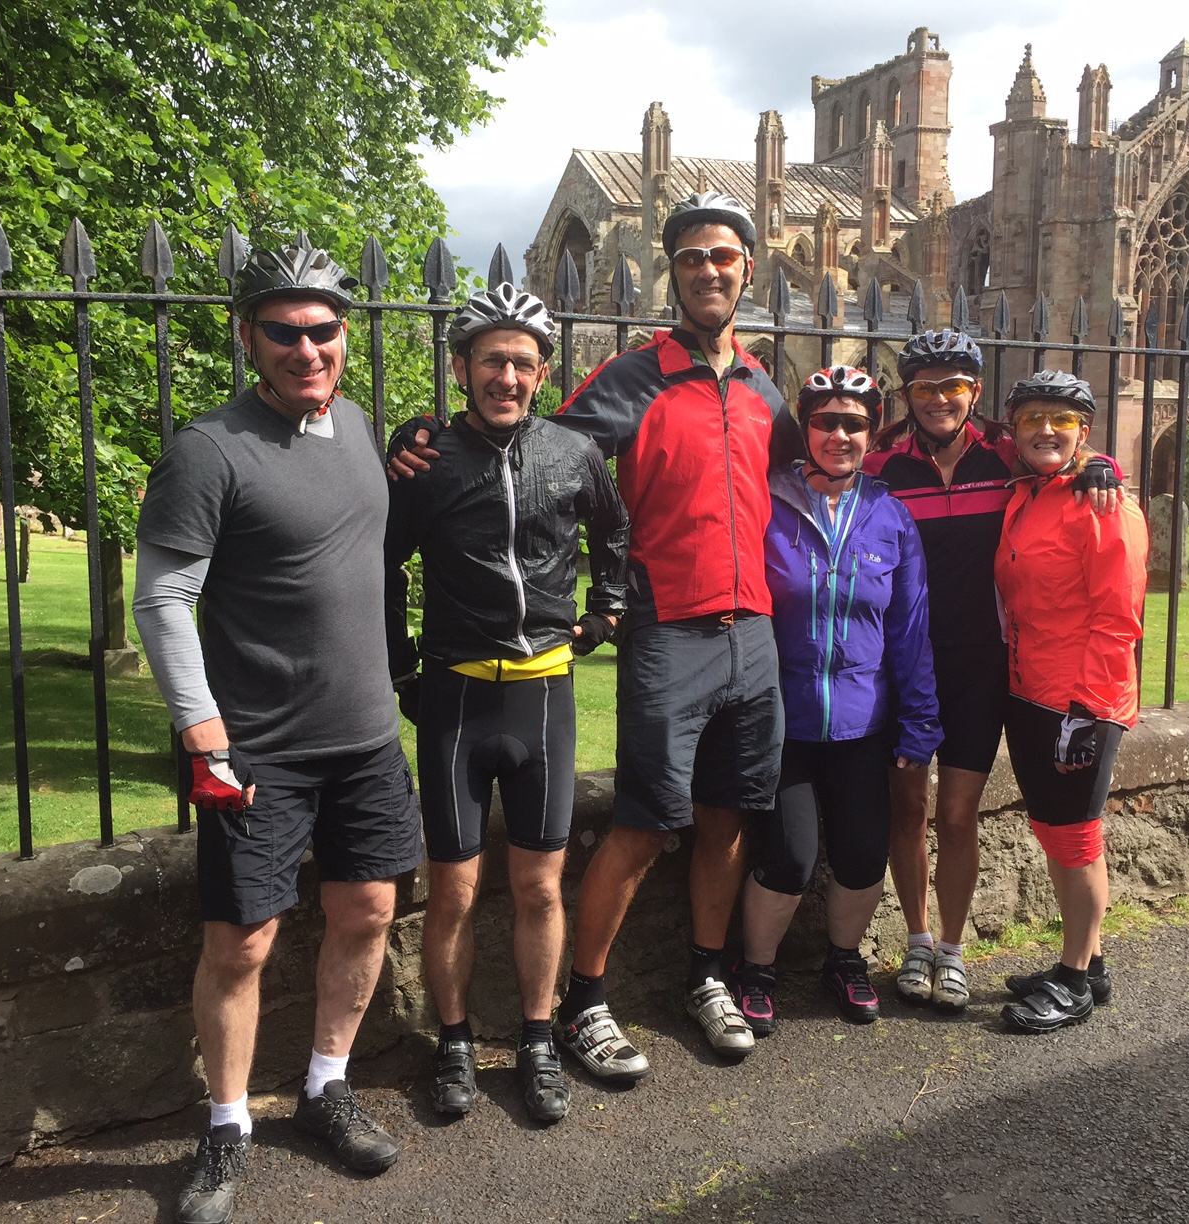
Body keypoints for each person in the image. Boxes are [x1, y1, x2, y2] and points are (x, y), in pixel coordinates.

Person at [390, 191, 799, 1077]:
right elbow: (534, 447)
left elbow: (831, 460)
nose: (709, 270)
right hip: (669, 631)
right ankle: (586, 998)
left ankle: (704, 974)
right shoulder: (634, 377)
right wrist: (427, 435)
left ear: (747, 269)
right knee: (649, 823)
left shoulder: (768, 386)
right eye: (692, 257)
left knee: (729, 820)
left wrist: (1083, 463)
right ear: (673, 272)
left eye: (724, 256)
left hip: (754, 632)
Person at [133, 238, 421, 1224]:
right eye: (285, 331)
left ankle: (326, 1086)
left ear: (346, 334)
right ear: (248, 336)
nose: (308, 349)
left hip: (366, 741)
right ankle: (226, 1126)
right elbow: (164, 599)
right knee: (244, 942)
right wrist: (203, 729)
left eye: (325, 330)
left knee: (369, 913)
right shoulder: (208, 450)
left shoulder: (358, 430)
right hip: (255, 746)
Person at [383, 283, 629, 1124]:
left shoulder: (572, 452)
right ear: (462, 367)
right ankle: (454, 1042)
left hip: (545, 697)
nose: (508, 376)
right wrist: (401, 669)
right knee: (451, 891)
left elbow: (615, 534)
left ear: (543, 372)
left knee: (538, 888)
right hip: (454, 696)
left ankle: (534, 1038)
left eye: (523, 362)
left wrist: (607, 613)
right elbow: (384, 564)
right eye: (492, 360)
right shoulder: (427, 460)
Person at [862, 331, 1122, 1013]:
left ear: (975, 393)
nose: (941, 398)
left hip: (983, 665)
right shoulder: (885, 462)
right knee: (907, 807)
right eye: (925, 386)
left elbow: (1064, 449)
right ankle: (916, 941)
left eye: (954, 385)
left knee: (955, 813)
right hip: (905, 663)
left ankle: (951, 949)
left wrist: (1104, 466)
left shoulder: (1005, 452)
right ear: (907, 394)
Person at [731, 367, 941, 1034]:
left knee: (860, 853)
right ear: (806, 429)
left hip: (863, 722)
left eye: (854, 423)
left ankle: (843, 960)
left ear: (872, 431)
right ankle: (756, 970)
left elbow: (910, 627)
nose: (840, 434)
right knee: (790, 857)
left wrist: (919, 722)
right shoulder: (768, 501)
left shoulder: (890, 516)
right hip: (783, 717)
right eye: (826, 421)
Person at [992, 371, 1146, 1032]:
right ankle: (1090, 962)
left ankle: (1076, 980)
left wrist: (1086, 713)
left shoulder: (1105, 507)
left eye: (1062, 421)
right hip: (1028, 688)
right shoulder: (1027, 492)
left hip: (1080, 700)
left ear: (1084, 430)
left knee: (1076, 837)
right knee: (1056, 833)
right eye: (1032, 420)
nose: (1045, 431)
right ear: (1016, 431)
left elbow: (1119, 618)